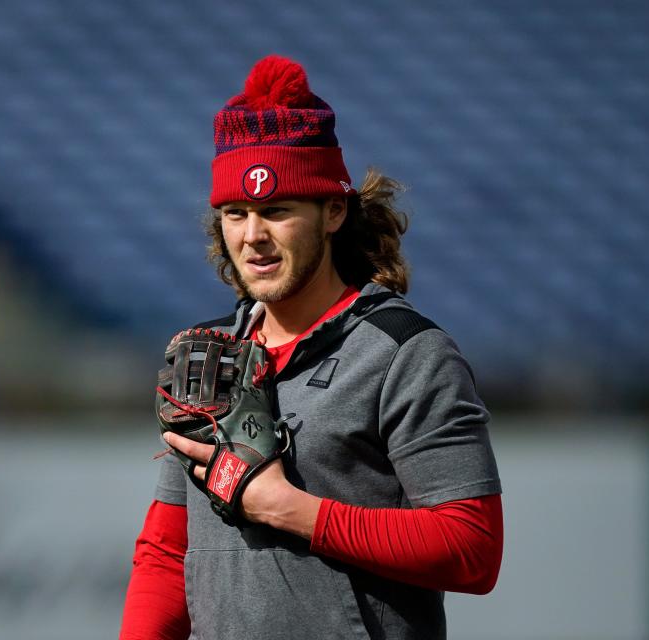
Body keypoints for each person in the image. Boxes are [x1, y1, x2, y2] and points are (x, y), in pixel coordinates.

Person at [120, 55, 503, 640]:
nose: (253, 236)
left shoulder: (406, 353)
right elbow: (170, 551)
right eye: (236, 213)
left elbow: (471, 548)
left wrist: (284, 507)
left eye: (277, 211)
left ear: (333, 210)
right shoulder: (207, 355)